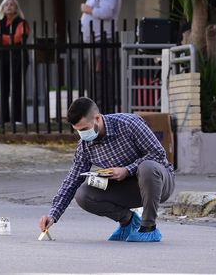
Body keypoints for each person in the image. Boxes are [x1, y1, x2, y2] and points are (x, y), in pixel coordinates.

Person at [39, 97, 175, 242]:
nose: (83, 135)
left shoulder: (129, 124)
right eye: (78, 131)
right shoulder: (85, 145)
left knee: (147, 167)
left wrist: (127, 170)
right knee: (83, 194)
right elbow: (72, 179)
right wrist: (53, 215)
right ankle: (128, 221)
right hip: (127, 189)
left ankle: (149, 228)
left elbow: (158, 154)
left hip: (158, 183)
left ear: (97, 118)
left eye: (85, 129)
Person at [80, 0, 122, 112]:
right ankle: (97, 112)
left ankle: (102, 113)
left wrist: (87, 9)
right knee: (95, 79)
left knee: (100, 79)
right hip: (94, 40)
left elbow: (106, 12)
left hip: (102, 40)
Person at [0, 0, 30, 124]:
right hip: (2, 58)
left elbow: (18, 38)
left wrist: (1, 38)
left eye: (12, 4)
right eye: (6, 4)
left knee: (16, 88)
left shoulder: (22, 22)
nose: (9, 6)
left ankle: (17, 118)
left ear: (16, 8)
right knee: (3, 88)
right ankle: (3, 118)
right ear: (2, 7)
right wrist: (7, 38)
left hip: (18, 58)